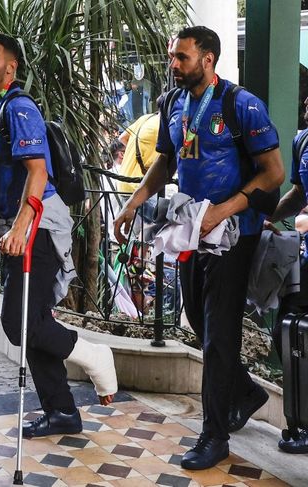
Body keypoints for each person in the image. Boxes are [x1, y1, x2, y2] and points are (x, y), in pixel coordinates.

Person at [114, 26, 284, 470]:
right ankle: (245, 391)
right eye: (172, 56)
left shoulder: (240, 105)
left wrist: (224, 210)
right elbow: (164, 162)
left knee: (219, 332)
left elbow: (273, 173)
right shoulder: (171, 103)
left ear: (208, 59)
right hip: (190, 229)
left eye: (181, 57)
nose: (172, 64)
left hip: (233, 235)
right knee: (195, 317)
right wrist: (133, 204)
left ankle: (214, 437)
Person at [0, 32, 117, 439]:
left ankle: (93, 354)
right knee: (32, 321)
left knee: (18, 322)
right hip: (12, 228)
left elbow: (37, 171)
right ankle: (62, 413)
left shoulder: (20, 108)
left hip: (38, 225)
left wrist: (21, 226)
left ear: (10, 67)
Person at [263, 95, 308, 454]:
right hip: (307, 260)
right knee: (288, 331)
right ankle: (301, 422)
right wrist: (270, 216)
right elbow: (298, 193)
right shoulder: (302, 140)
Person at [116, 112, 160, 195]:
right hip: (140, 187)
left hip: (123, 182)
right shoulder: (162, 127)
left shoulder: (146, 118)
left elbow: (122, 138)